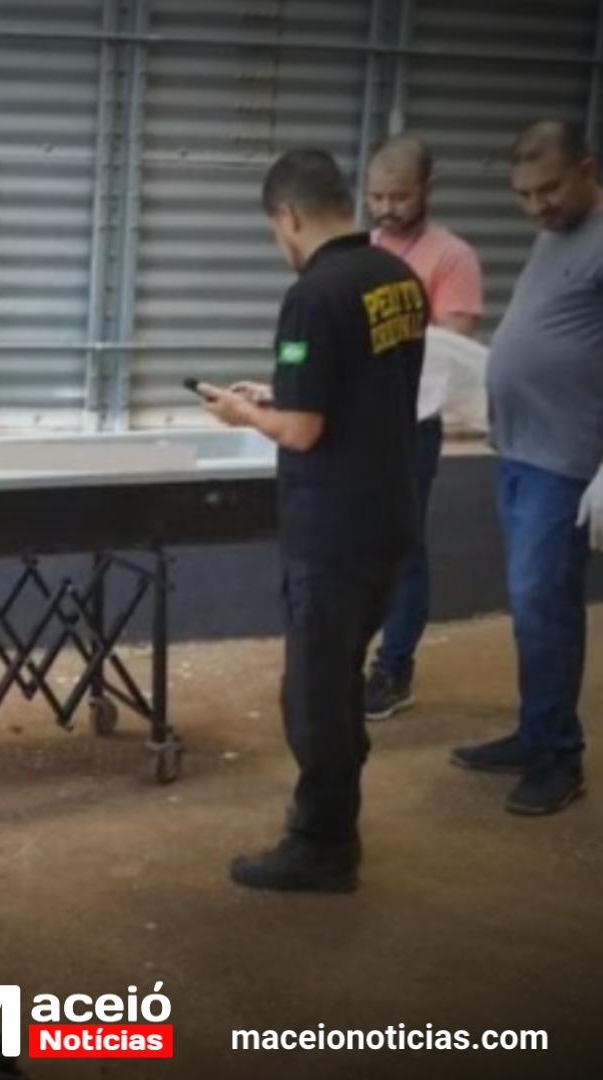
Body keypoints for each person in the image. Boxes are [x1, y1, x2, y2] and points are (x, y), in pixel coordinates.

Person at [199, 149, 426, 892]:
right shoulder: (397, 279)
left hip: (331, 529)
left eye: (276, 230)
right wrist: (283, 389)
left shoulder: (313, 294)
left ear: (289, 216)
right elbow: (360, 387)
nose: (281, 243)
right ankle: (334, 822)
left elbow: (300, 432)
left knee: (314, 696)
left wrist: (243, 412)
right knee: (335, 682)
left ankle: (323, 846)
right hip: (390, 515)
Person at [452, 120, 603, 815]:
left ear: (586, 168)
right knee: (529, 606)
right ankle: (534, 730)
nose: (538, 205)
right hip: (519, 450)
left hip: (566, 460)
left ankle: (557, 758)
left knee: (545, 606)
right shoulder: (555, 236)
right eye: (524, 195)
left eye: (550, 189)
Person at [363, 135, 485, 719]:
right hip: (356, 421)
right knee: (356, 544)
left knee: (403, 548)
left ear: (428, 190)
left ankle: (394, 668)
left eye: (400, 196)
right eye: (377, 196)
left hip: (411, 427)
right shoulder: (358, 250)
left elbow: (451, 347)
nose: (387, 209)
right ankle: (348, 658)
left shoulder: (451, 256)